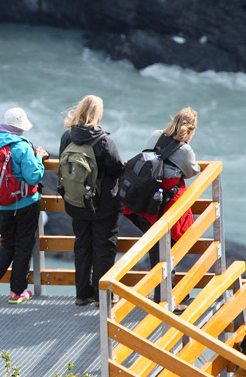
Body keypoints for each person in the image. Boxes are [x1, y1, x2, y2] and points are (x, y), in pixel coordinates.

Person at [123, 107, 200, 304]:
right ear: (190, 130)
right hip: (166, 208)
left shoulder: (155, 136)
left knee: (157, 249)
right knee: (168, 250)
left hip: (145, 202)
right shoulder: (185, 150)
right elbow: (193, 170)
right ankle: (163, 298)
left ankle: (164, 293)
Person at [0, 107, 47, 306]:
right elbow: (34, 176)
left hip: (2, 204)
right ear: (21, 127)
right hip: (25, 204)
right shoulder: (22, 146)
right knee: (23, 245)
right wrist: (39, 158)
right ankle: (17, 292)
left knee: (7, 243)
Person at [58, 95, 125, 306]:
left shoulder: (67, 137)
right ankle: (102, 297)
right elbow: (117, 169)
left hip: (76, 203)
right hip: (102, 206)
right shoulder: (103, 141)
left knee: (82, 247)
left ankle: (82, 294)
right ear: (98, 114)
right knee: (104, 248)